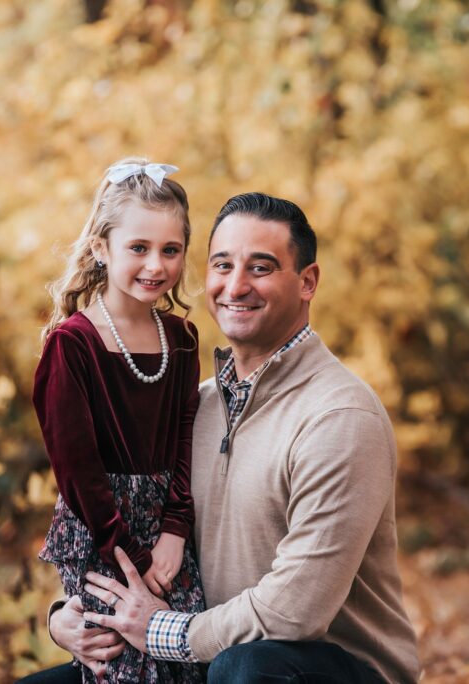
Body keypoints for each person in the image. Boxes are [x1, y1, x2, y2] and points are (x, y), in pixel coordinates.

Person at [39, 192, 420, 683]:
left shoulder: (339, 417)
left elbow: (294, 613)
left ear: (307, 282)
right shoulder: (196, 407)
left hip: (326, 667)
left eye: (260, 268)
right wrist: (70, 619)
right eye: (222, 265)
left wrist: (161, 630)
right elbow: (137, 522)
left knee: (248, 668)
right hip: (203, 656)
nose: (235, 286)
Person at [30, 159, 206, 683]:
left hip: (168, 530)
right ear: (102, 249)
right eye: (139, 248)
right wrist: (128, 551)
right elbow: (78, 471)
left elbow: (184, 438)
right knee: (119, 662)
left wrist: (174, 530)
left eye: (170, 250)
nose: (156, 265)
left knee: (181, 656)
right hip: (103, 529)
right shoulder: (73, 345)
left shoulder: (182, 337)